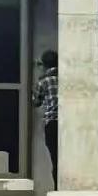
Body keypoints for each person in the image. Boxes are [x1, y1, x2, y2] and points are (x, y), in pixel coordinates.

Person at [32, 50, 59, 186]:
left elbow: (35, 102)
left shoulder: (43, 81)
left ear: (44, 65)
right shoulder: (66, 77)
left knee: (55, 158)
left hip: (52, 123)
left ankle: (58, 189)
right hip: (67, 124)